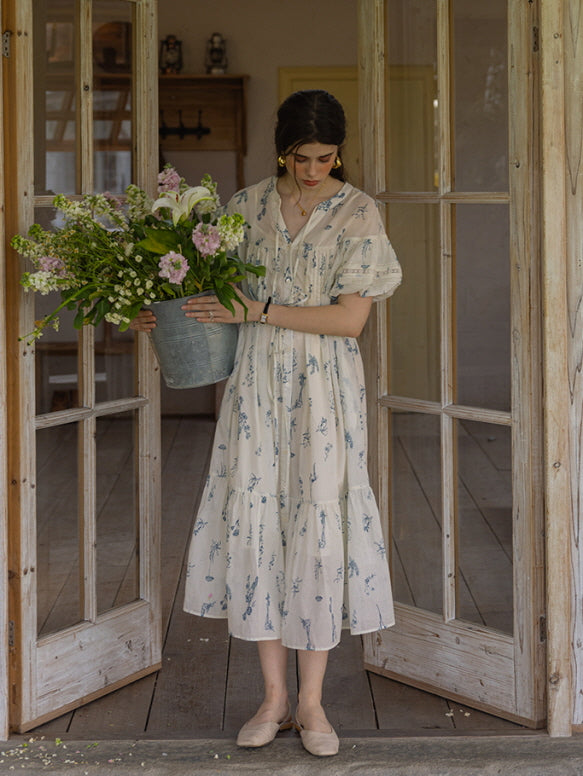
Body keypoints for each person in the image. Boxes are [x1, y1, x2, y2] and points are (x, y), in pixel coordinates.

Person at [131, 90, 402, 756]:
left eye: (326, 157)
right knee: (259, 531)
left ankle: (312, 706)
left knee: (315, 533)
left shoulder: (359, 213)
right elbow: (210, 292)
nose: (313, 170)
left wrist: (258, 312)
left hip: (324, 395)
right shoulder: (244, 207)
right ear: (281, 150)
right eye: (301, 157)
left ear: (339, 152)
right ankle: (273, 697)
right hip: (255, 390)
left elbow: (348, 320)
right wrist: (164, 317)